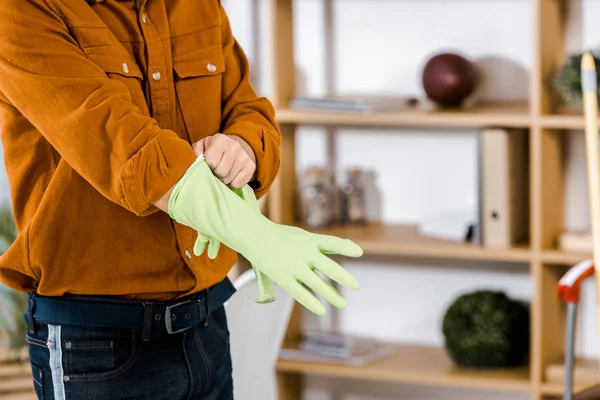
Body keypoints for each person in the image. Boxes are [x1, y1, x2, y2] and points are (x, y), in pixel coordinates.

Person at [0, 1, 362, 399]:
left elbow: (249, 110)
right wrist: (252, 231)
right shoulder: (22, 11)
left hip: (207, 325)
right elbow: (124, 147)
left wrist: (242, 148)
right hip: (96, 345)